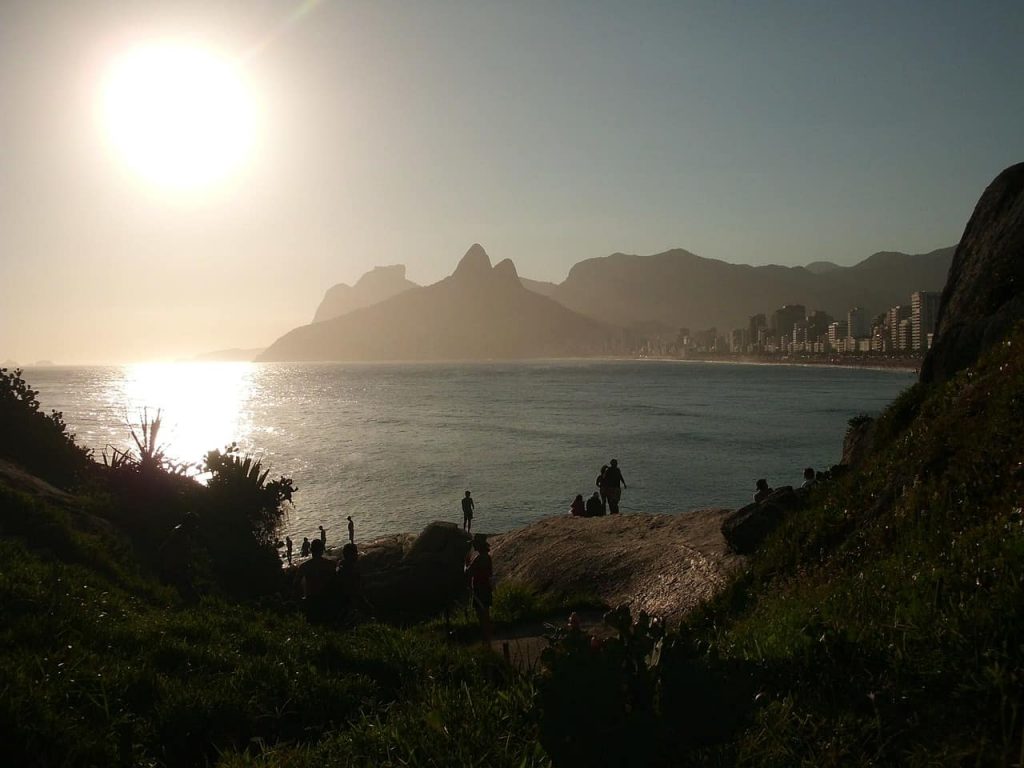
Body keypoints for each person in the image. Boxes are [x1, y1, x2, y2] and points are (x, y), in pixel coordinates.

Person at [298, 538, 337, 622]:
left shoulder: (304, 567)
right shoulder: (331, 564)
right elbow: (336, 583)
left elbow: (296, 585)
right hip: (328, 599)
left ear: (311, 550)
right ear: (322, 550)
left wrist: (302, 600)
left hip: (311, 601)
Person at [465, 536, 493, 644]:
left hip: (480, 589)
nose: (474, 545)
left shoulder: (479, 558)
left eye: (475, 544)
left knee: (482, 615)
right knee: (485, 613)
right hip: (485, 588)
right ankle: (487, 638)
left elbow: (468, 572)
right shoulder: (487, 557)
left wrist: (466, 563)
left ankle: (486, 640)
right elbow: (489, 573)